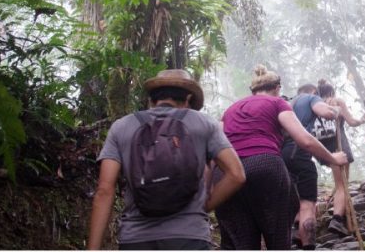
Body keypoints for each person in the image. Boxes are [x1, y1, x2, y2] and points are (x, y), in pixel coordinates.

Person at [87, 69, 246, 250]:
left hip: (136, 238)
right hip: (189, 236)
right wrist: (204, 207)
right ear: (188, 99)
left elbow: (104, 190)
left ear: (150, 100)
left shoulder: (121, 127)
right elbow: (237, 174)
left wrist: (93, 249)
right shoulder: (204, 123)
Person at [215, 65, 347, 250]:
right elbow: (305, 140)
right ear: (277, 88)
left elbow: (215, 144)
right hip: (265, 164)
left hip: (227, 173)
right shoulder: (277, 103)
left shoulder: (230, 110)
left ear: (252, 91)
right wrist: (334, 158)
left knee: (239, 242)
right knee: (278, 238)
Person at [281, 83, 340, 249]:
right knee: (308, 204)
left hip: (280, 155)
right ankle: (308, 246)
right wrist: (336, 110)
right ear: (314, 92)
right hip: (298, 152)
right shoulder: (311, 98)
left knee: (293, 199)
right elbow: (326, 112)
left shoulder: (287, 103)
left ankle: (295, 236)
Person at [315, 78, 365, 236]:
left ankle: (342, 214)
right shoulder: (337, 101)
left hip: (323, 148)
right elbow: (351, 122)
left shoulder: (316, 104)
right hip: (339, 145)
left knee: (340, 183)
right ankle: (337, 219)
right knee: (343, 184)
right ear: (332, 91)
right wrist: (363, 119)